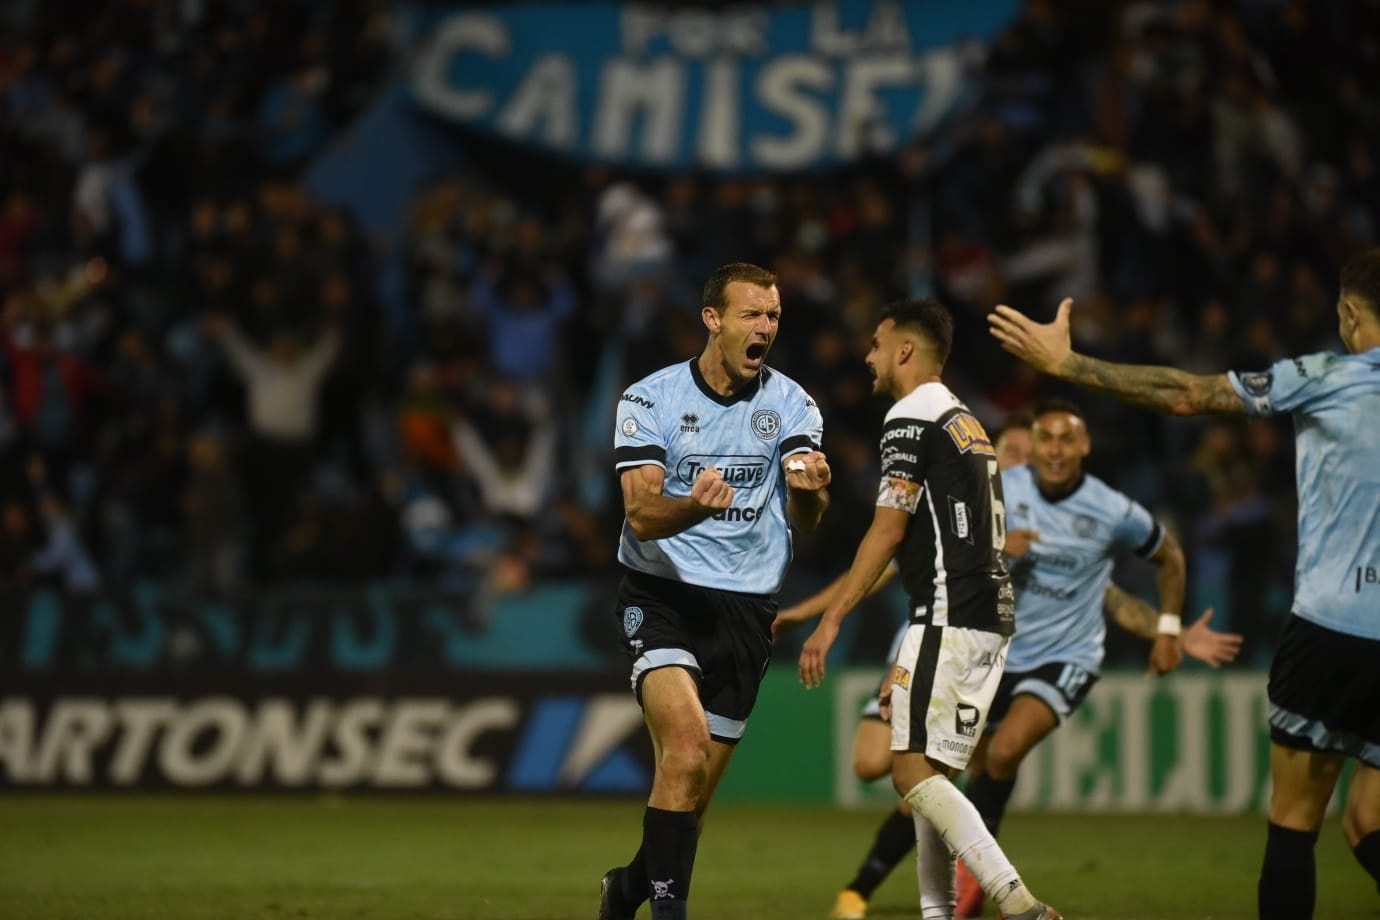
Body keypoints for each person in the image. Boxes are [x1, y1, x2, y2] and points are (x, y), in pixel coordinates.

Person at [986, 246, 1380, 920]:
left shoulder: (1331, 375)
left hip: (1331, 628)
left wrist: (1068, 365)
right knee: (1367, 823)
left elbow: (1189, 395)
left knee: (1296, 817)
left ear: (1348, 314)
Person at [779, 414, 1242, 920]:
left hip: (1058, 660)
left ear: (1084, 445)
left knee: (1001, 753)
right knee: (908, 776)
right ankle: (876, 888)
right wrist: (814, 615)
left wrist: (1168, 629)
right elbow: (900, 562)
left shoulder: (1109, 509)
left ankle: (982, 895)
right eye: (1032, 444)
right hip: (981, 656)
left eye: (1059, 441)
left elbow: (1112, 593)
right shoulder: (985, 498)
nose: (1044, 454)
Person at [797, 298, 1062, 920]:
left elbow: (887, 530)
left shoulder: (910, 416)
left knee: (909, 775)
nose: (867, 355)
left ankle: (1017, 902)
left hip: (949, 612)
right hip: (987, 615)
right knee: (929, 780)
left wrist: (831, 619)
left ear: (905, 349)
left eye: (876, 343)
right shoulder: (965, 419)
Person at [600, 262, 832, 920]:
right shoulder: (650, 400)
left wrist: (812, 493)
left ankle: (623, 893)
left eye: (774, 317)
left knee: (690, 801)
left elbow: (807, 518)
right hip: (663, 595)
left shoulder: (792, 404)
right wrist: (695, 507)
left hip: (747, 612)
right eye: (752, 315)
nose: (766, 328)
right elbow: (642, 513)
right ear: (713, 319)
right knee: (686, 748)